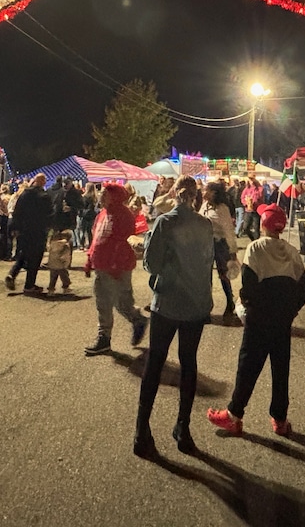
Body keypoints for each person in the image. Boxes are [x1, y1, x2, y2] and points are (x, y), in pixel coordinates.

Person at [207, 203, 305, 438]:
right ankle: (280, 419)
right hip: (282, 321)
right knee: (280, 369)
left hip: (259, 320)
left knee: (248, 367)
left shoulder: (255, 248)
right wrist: (289, 312)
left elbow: (249, 284)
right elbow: (302, 290)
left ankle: (234, 415)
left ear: (263, 224)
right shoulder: (292, 252)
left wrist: (247, 307)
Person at [134, 176, 214, 458]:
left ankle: (142, 430)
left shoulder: (165, 223)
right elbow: (208, 263)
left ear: (174, 194)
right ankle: (183, 426)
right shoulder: (205, 225)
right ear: (195, 197)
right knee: (188, 363)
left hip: (167, 302)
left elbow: (151, 264)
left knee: (155, 363)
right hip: (196, 304)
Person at [82, 183, 146, 356]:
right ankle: (104, 339)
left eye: (105, 194)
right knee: (103, 303)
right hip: (102, 267)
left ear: (115, 197)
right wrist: (90, 260)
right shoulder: (102, 214)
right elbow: (96, 240)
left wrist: (116, 266)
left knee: (122, 304)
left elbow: (125, 242)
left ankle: (137, 319)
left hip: (117, 267)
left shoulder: (123, 215)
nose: (101, 196)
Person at [201, 180, 241, 326]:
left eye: (206, 190)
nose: (203, 192)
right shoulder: (204, 206)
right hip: (206, 245)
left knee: (224, 275)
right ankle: (205, 309)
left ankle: (230, 302)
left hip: (220, 244)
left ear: (214, 193)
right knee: (205, 277)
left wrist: (233, 251)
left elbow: (229, 231)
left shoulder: (222, 209)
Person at [6, 173, 52, 293]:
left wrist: (15, 228)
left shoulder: (25, 194)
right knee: (35, 258)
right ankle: (29, 285)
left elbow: (17, 211)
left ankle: (12, 273)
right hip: (38, 230)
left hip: (24, 230)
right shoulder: (44, 196)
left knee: (24, 253)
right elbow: (49, 214)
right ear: (43, 182)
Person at [45, 227, 73, 293]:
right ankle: (65, 288)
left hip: (53, 263)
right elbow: (66, 255)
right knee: (64, 276)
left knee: (52, 278)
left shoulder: (52, 243)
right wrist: (67, 263)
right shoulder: (66, 245)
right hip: (61, 264)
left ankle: (51, 290)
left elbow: (49, 251)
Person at [238, 177, 264, 241]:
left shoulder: (259, 188)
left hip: (256, 210)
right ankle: (253, 239)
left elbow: (261, 197)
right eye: (250, 180)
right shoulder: (246, 189)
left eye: (252, 180)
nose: (251, 182)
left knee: (256, 228)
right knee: (245, 227)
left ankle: (256, 241)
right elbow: (242, 198)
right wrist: (246, 203)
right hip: (248, 210)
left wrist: (254, 200)